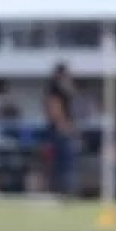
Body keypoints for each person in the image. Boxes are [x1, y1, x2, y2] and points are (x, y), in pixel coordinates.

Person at [43, 63, 78, 196]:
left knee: (66, 162)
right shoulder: (55, 89)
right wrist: (64, 126)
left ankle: (64, 189)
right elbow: (54, 108)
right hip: (60, 130)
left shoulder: (63, 89)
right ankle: (62, 190)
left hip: (62, 128)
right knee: (62, 162)